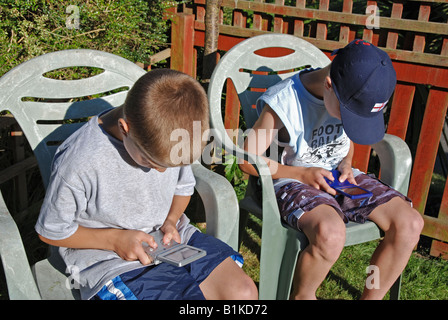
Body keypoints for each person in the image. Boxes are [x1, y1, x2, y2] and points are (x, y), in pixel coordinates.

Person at [35, 69, 258, 300]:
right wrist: (115, 240)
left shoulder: (171, 139)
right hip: (112, 259)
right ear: (124, 128)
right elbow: (51, 231)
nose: (162, 171)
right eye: (151, 162)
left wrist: (171, 220)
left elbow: (182, 189)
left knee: (242, 292)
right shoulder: (79, 161)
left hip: (171, 241)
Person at [239, 39, 424, 300]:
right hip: (293, 179)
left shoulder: (339, 97)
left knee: (410, 223)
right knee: (330, 233)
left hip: (340, 176)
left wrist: (347, 163)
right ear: (329, 85)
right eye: (349, 117)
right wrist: (301, 174)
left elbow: (344, 140)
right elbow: (247, 160)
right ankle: (303, 296)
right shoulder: (284, 101)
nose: (349, 124)